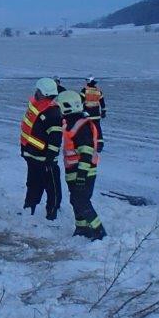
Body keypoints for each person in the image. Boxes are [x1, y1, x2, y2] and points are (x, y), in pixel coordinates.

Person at [58, 90, 105, 239]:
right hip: (74, 171)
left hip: (83, 171)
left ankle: (99, 231)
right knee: (75, 200)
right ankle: (81, 228)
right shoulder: (71, 123)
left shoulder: (80, 125)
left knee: (81, 201)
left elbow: (86, 151)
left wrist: (81, 175)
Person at [20, 77, 63, 219]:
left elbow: (55, 140)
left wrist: (50, 159)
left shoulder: (53, 113)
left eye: (38, 90)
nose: (35, 92)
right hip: (32, 155)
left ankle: (52, 213)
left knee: (52, 188)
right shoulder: (39, 106)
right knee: (32, 183)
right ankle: (29, 207)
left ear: (44, 93)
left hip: (45, 159)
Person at [82, 77, 106, 151]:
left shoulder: (84, 90)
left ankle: (88, 144)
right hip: (96, 114)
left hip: (87, 114)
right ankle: (100, 145)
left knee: (87, 129)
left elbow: (80, 101)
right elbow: (102, 103)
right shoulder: (98, 91)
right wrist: (103, 112)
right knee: (98, 129)